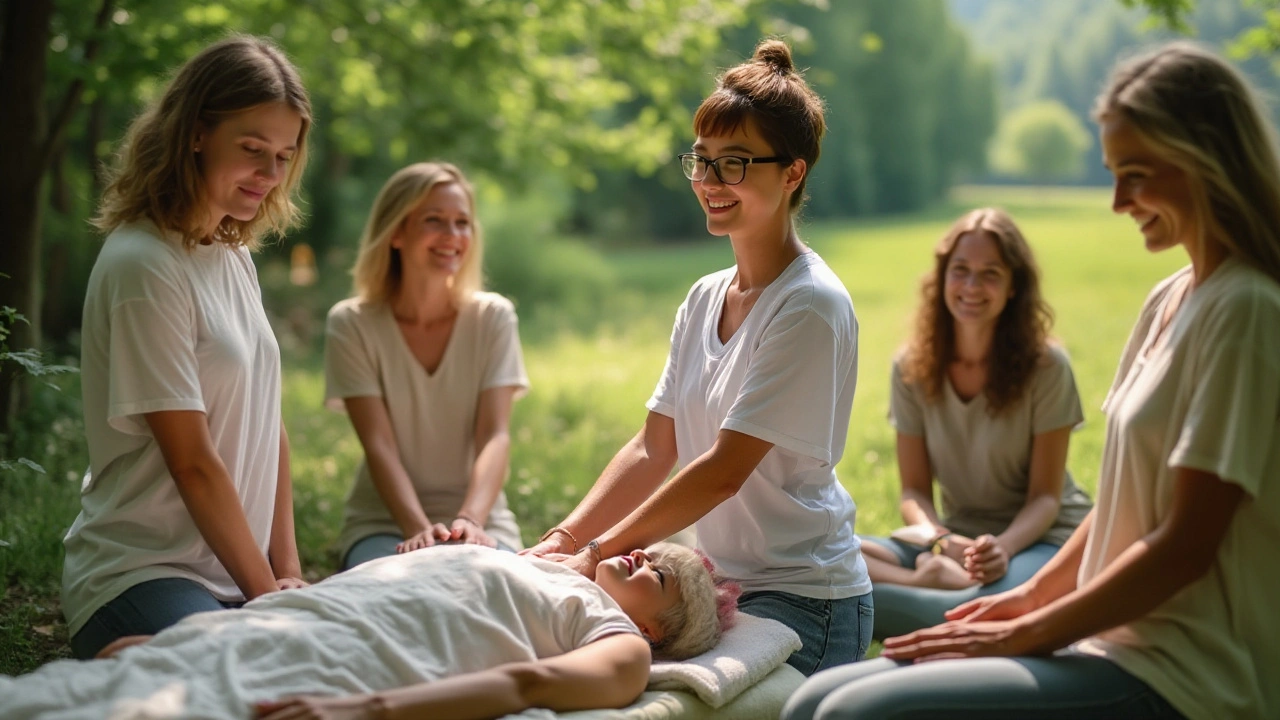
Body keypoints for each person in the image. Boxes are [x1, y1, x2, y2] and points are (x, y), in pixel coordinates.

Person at [781, 41, 1280, 720]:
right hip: (1108, 643)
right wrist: (1026, 599)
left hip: (1186, 676)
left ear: (1204, 159)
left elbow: (1186, 546)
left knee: (852, 714)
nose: (1117, 201)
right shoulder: (1170, 299)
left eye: (1135, 173)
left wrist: (1028, 631)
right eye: (1112, 173)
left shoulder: (1247, 309)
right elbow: (1120, 510)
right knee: (817, 698)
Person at [523, 38, 872, 677]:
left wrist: (598, 552)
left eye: (733, 164)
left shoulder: (809, 305)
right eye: (702, 161)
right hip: (712, 586)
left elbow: (721, 472)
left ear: (792, 173)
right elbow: (655, 446)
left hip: (807, 601)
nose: (709, 182)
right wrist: (563, 541)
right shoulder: (705, 294)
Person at [64, 35, 312, 661]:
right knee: (256, 673)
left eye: (283, 155)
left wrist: (287, 572)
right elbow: (192, 462)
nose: (269, 174)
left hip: (237, 575)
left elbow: (267, 423)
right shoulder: (143, 265)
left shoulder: (232, 255)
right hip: (143, 573)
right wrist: (268, 599)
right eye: (252, 150)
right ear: (195, 134)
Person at [0, 544, 738, 720]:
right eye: (649, 548)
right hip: (291, 621)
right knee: (91, 685)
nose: (640, 552)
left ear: (653, 625)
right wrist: (185, 637)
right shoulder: (541, 566)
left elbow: (527, 683)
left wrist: (368, 711)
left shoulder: (622, 646)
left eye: (659, 573)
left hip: (352, 663)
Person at [860, 208, 1093, 637]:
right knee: (830, 559)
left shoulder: (1047, 367)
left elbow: (1046, 498)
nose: (971, 286)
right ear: (942, 279)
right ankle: (921, 585)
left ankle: (903, 603)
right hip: (954, 540)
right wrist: (938, 540)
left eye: (990, 274)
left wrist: (1002, 548)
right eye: (960, 270)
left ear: (1013, 287)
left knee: (981, 607)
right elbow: (914, 491)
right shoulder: (912, 367)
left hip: (1043, 537)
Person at [324, 162, 528, 569]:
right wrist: (417, 529)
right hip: (382, 523)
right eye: (434, 220)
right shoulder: (351, 324)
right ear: (395, 232)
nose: (452, 236)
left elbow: (495, 435)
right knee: (395, 597)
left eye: (462, 222)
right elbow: (378, 444)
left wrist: (470, 519)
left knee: (497, 595)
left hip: (482, 520)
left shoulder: (493, 318)